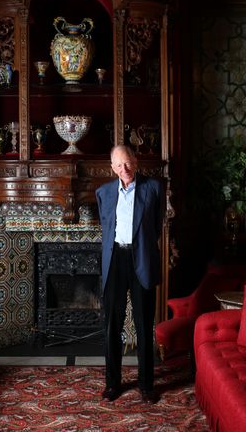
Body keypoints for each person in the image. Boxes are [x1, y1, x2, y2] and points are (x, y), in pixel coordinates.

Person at [96, 144, 164, 403]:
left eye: (128, 162)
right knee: (112, 325)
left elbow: (155, 228)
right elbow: (106, 226)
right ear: (112, 168)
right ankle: (113, 383)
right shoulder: (103, 192)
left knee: (144, 325)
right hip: (114, 260)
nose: (124, 169)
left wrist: (143, 248)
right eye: (118, 165)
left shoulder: (154, 188)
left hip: (141, 259)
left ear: (135, 161)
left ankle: (146, 385)